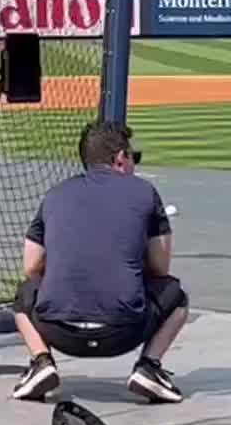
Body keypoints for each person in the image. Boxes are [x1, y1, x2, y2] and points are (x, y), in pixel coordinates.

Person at [10, 121, 188, 405]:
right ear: (120, 158)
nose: (134, 165)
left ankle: (42, 361)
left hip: (58, 331)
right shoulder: (144, 192)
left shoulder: (56, 193)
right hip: (123, 332)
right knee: (175, 295)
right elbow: (160, 269)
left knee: (23, 295)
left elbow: (31, 267)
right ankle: (149, 367)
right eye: (134, 157)